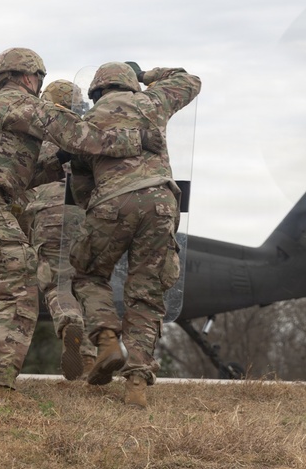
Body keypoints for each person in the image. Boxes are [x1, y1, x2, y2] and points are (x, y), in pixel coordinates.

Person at [0, 47, 161, 404]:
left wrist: (58, 161)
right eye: (38, 77)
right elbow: (87, 136)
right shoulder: (26, 105)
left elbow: (15, 171)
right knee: (20, 289)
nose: (39, 84)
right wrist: (138, 139)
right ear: (28, 76)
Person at [70, 62, 201, 408]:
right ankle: (137, 383)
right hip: (160, 202)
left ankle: (107, 340)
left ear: (96, 91)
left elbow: (81, 186)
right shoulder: (153, 101)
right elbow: (190, 80)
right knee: (146, 293)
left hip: (111, 202)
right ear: (130, 84)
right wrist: (145, 76)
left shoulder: (86, 122)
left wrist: (102, 213)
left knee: (88, 274)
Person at [17, 79, 96, 381]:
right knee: (87, 283)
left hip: (49, 211)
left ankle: (68, 320)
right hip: (87, 212)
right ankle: (89, 357)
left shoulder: (36, 134)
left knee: (57, 282)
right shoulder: (88, 134)